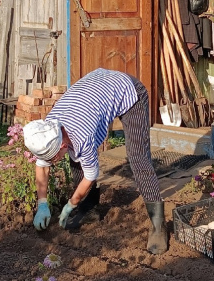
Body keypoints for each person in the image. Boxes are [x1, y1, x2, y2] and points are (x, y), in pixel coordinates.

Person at [22, 68, 167, 255]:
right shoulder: (48, 127)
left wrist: (71, 204)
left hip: (130, 91)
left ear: (61, 146)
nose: (53, 162)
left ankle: (158, 225)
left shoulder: (82, 136)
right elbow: (42, 166)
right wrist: (42, 203)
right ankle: (89, 209)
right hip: (97, 88)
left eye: (53, 158)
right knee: (76, 159)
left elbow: (91, 175)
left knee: (138, 159)